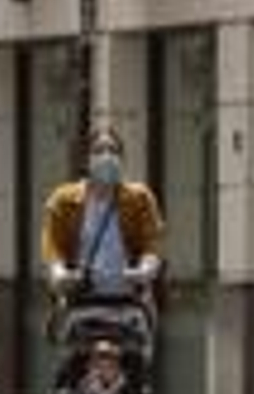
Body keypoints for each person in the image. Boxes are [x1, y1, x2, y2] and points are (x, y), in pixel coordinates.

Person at [40, 126, 165, 304]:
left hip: (128, 300)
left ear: (121, 159)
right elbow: (52, 248)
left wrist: (145, 270)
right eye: (98, 151)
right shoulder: (63, 200)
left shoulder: (140, 198)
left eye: (113, 151)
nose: (107, 157)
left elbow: (151, 243)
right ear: (85, 160)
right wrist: (59, 273)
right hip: (81, 300)